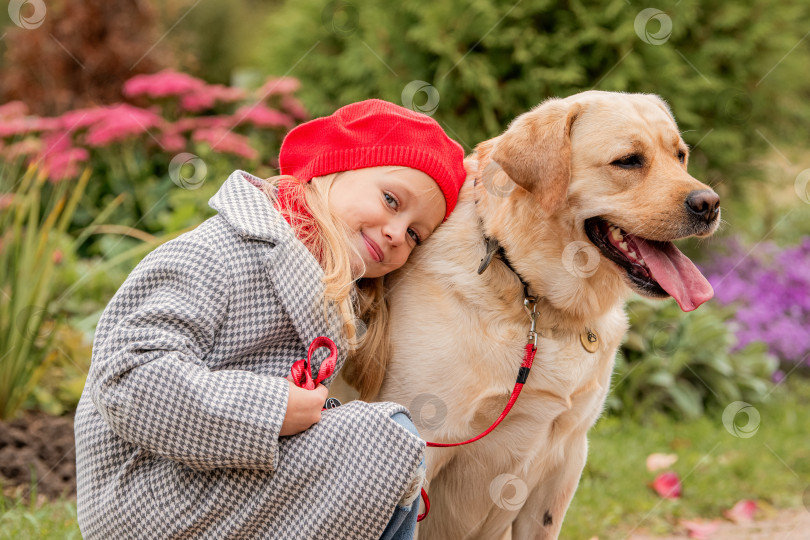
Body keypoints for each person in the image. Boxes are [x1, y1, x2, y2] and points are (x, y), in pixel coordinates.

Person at [74, 99, 467, 539]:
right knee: (385, 438)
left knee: (389, 450)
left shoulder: (325, 291)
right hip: (150, 493)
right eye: (391, 199)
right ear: (332, 167)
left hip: (217, 481)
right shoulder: (221, 252)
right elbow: (126, 376)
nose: (398, 234)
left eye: (416, 234)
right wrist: (271, 409)